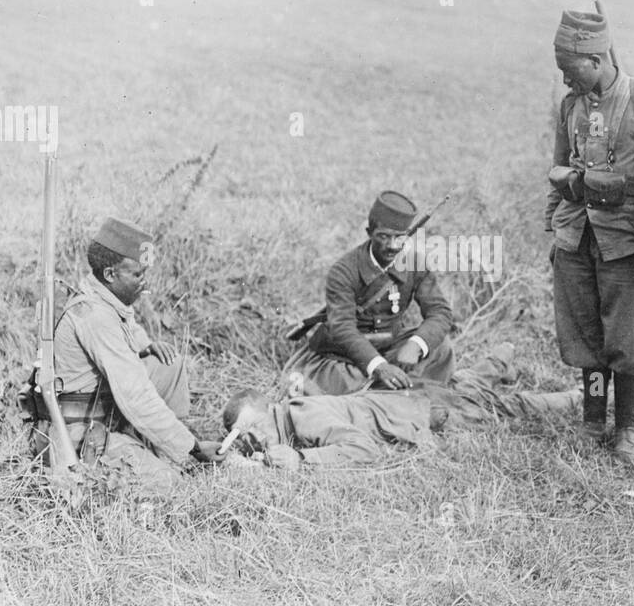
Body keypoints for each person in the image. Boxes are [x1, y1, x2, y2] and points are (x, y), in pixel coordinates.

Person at [545, 9, 634, 464]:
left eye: (571, 71)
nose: (567, 81)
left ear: (595, 58)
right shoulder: (571, 106)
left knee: (626, 340)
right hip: (576, 238)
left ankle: (625, 429)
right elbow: (558, 167)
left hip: (627, 242)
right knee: (587, 337)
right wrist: (556, 228)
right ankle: (592, 421)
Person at [29, 217, 228, 498]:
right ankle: (171, 453)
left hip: (101, 415)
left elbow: (128, 328)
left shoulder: (101, 295)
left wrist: (146, 346)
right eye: (137, 275)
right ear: (110, 274)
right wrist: (192, 448)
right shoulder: (95, 316)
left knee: (167, 366)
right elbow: (135, 396)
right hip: (79, 435)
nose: (144, 281)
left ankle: (163, 447)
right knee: (170, 485)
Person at [227, 346, 578, 467]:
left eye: (255, 430)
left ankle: (579, 396)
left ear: (270, 410)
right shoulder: (291, 413)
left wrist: (302, 460)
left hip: (426, 414)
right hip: (408, 399)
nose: (255, 442)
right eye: (245, 440)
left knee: (500, 409)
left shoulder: (303, 419)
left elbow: (362, 448)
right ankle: (498, 360)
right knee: (461, 388)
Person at [282, 191, 454, 396]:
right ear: (369, 232)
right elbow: (342, 328)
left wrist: (415, 346)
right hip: (345, 356)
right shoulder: (344, 270)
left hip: (390, 346)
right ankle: (394, 393)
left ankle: (401, 392)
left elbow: (440, 312)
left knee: (441, 347)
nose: (392, 246)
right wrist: (378, 366)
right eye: (383, 236)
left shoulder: (415, 264)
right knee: (345, 387)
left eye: (399, 237)